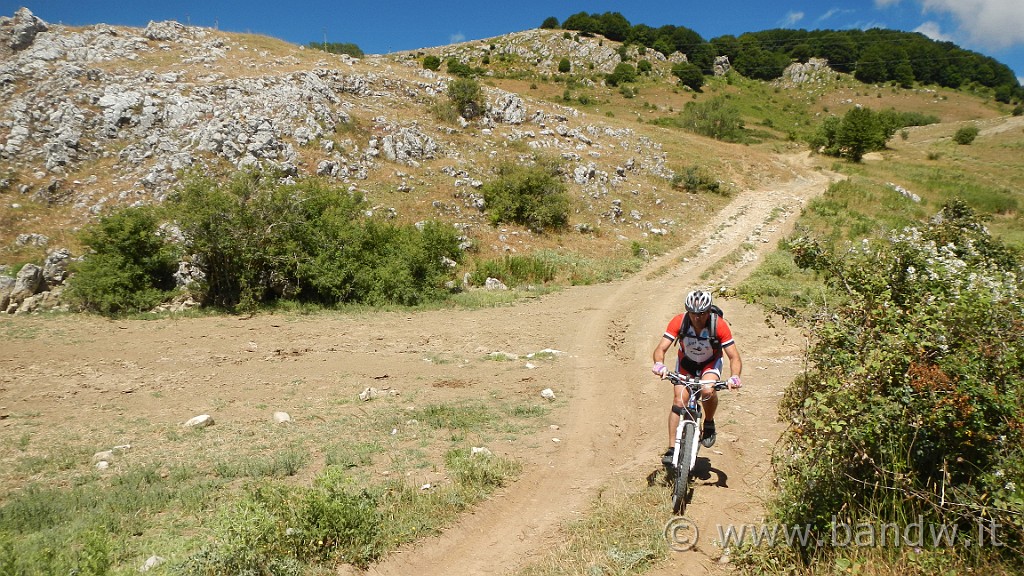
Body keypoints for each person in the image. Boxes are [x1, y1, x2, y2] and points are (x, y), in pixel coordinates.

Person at [651, 289, 743, 467]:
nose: (696, 317)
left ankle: (708, 423)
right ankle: (671, 449)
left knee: (708, 389)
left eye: (701, 313)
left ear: (709, 311)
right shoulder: (680, 321)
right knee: (679, 401)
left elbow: (734, 357)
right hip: (686, 363)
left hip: (710, 363)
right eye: (692, 313)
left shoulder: (719, 325)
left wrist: (735, 377)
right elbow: (660, 348)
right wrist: (659, 364)